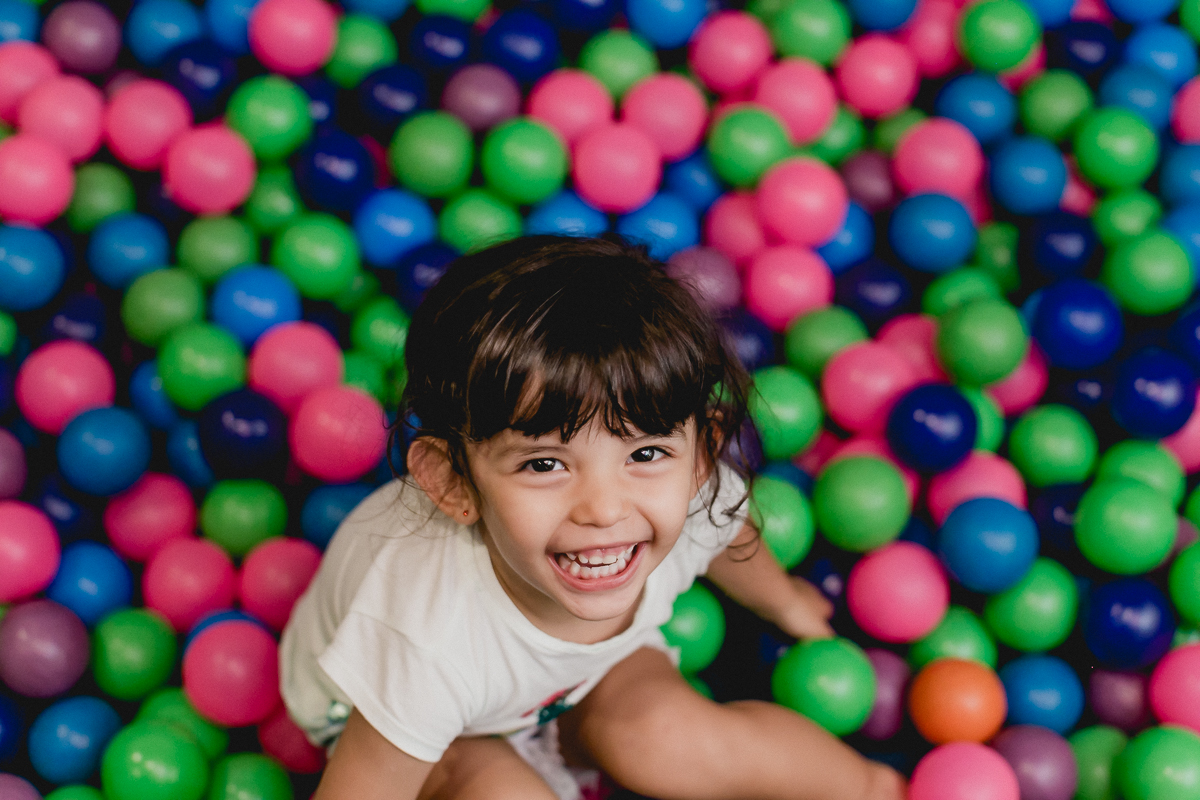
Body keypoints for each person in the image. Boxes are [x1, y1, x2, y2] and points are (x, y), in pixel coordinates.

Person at [280, 235, 906, 800]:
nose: (605, 509)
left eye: (645, 453)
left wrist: (788, 605)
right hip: (407, 728)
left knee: (667, 740)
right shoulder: (425, 639)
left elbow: (726, 534)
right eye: (544, 465)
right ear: (453, 483)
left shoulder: (688, 496)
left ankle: (876, 787)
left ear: (700, 459)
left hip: (571, 685)